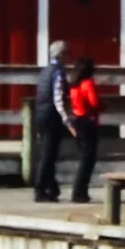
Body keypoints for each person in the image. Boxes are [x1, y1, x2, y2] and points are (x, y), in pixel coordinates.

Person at [33, 40, 74, 202]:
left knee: (47, 152)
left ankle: (52, 187)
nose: (69, 57)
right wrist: (66, 119)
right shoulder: (58, 72)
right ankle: (40, 188)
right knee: (49, 154)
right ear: (61, 55)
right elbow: (58, 99)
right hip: (51, 115)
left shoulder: (45, 72)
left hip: (41, 113)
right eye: (67, 53)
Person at [68, 58, 103, 204]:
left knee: (84, 158)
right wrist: (104, 105)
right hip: (88, 121)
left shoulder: (74, 85)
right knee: (88, 159)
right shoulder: (88, 83)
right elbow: (94, 102)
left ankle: (79, 191)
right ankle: (80, 192)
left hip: (77, 120)